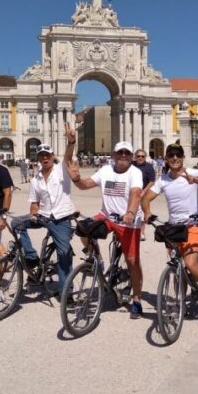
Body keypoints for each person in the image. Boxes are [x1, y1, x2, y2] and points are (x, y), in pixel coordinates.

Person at [64, 125, 145, 318]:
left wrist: (131, 212)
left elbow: (135, 193)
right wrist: (76, 179)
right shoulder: (106, 170)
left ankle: (136, 299)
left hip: (129, 220)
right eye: (120, 152)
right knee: (82, 228)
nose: (123, 155)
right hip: (107, 216)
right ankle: (95, 256)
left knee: (132, 261)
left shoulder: (135, 172)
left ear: (131, 156)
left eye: (127, 153)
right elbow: (86, 185)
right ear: (114, 154)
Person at [141, 143, 198, 314]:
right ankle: (181, 301)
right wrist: (147, 213)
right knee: (178, 265)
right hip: (174, 227)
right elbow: (146, 198)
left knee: (191, 264)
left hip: (194, 224)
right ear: (167, 159)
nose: (175, 158)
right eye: (171, 155)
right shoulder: (163, 180)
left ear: (183, 157)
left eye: (178, 155)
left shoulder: (192, 173)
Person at [10, 143, 77, 294]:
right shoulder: (36, 179)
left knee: (64, 253)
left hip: (61, 218)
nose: (45, 157)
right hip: (43, 216)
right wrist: (33, 214)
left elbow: (68, 155)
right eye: (42, 155)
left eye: (47, 155)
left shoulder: (61, 170)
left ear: (53, 156)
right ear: (38, 158)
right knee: (16, 223)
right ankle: (31, 256)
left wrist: (71, 141)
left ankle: (66, 291)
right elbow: (35, 203)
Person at [132, 148, 156, 241]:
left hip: (143, 193)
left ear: (145, 157)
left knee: (141, 214)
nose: (140, 158)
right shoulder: (131, 165)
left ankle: (141, 232)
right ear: (135, 157)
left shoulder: (149, 166)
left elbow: (152, 181)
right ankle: (131, 230)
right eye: (138, 156)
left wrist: (144, 191)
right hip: (131, 192)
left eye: (142, 156)